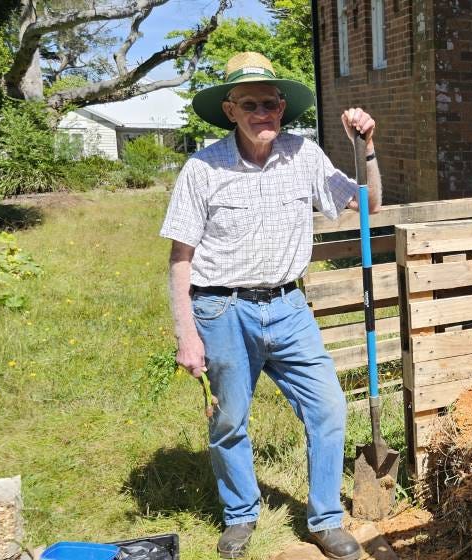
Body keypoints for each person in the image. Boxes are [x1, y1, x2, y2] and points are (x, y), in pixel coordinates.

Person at [159, 52, 383, 560]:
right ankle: (241, 514)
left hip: (288, 308)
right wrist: (186, 335)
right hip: (221, 312)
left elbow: (369, 205)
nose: (264, 113)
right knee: (229, 421)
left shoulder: (303, 156)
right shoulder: (202, 168)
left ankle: (325, 519)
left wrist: (365, 148)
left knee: (328, 407)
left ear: (282, 108)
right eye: (250, 103)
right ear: (230, 109)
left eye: (271, 103)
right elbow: (180, 258)